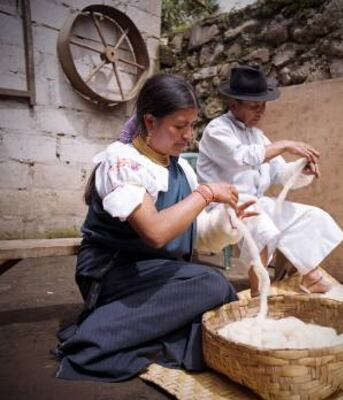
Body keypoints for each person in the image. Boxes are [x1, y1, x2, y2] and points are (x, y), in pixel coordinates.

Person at [54, 73, 256, 382]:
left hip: (156, 270)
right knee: (212, 285)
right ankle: (94, 337)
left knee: (216, 288)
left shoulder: (180, 167)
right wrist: (207, 193)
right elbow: (156, 232)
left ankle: (140, 330)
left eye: (192, 125)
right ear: (150, 121)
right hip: (113, 273)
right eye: (179, 126)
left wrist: (226, 224)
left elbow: (189, 232)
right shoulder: (122, 163)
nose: (188, 135)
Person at [197, 65, 343, 296]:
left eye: (263, 105)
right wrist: (285, 144)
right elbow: (242, 157)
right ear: (233, 104)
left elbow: (279, 173)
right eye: (254, 106)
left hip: (253, 202)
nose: (261, 112)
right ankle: (258, 293)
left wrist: (301, 168)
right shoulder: (216, 130)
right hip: (224, 205)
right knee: (262, 221)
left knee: (310, 216)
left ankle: (311, 276)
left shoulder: (257, 136)